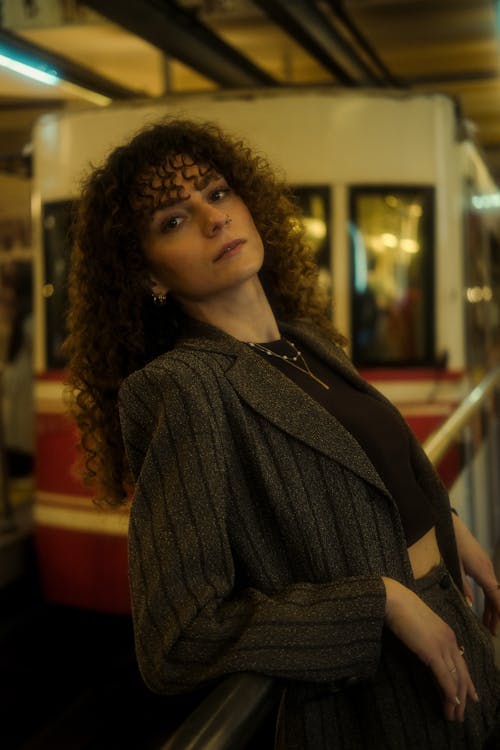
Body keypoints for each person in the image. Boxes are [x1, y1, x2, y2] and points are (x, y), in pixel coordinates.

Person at [64, 118, 500, 749]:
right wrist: (379, 604)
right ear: (149, 277)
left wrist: (445, 524)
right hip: (375, 708)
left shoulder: (306, 343)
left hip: (454, 644)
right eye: (173, 220)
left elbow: (359, 476)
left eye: (216, 194)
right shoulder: (184, 387)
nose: (213, 218)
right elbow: (178, 639)